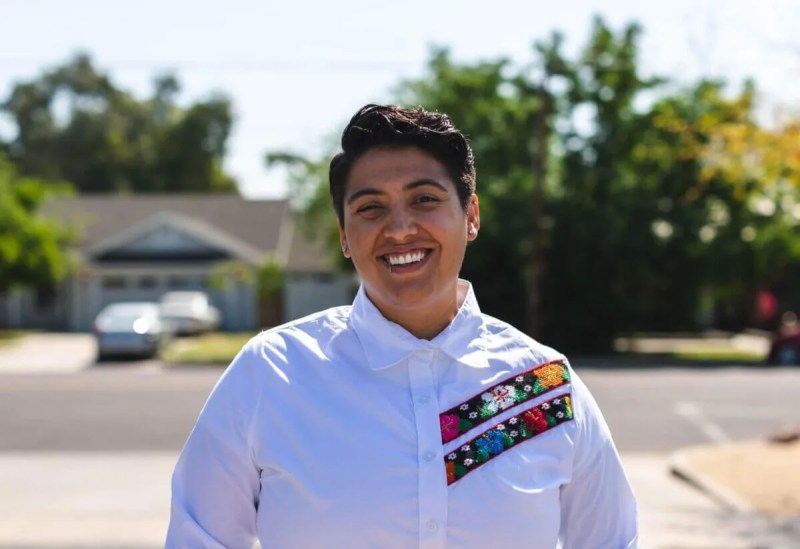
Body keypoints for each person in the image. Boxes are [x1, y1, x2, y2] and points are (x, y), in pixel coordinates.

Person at [166, 104, 638, 547]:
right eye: (370, 208)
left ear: (471, 216)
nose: (399, 229)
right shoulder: (272, 373)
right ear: (344, 235)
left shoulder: (541, 386)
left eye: (425, 199)